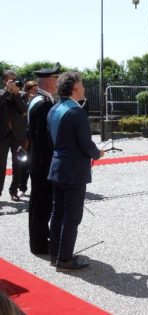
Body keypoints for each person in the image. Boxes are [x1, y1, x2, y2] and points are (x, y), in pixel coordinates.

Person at [47, 71, 104, 271]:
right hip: (73, 171)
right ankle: (64, 260)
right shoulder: (76, 111)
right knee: (72, 216)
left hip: (57, 167)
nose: (84, 88)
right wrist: (97, 154)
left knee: (57, 213)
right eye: (82, 85)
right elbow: (85, 144)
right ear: (75, 88)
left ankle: (55, 254)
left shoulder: (54, 109)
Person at [27, 63, 60, 255]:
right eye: (56, 79)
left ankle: (38, 239)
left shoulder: (35, 100)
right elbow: (42, 139)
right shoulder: (44, 104)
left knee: (37, 203)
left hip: (36, 161)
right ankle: (39, 244)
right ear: (48, 81)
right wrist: (49, 164)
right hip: (42, 163)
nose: (58, 82)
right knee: (42, 204)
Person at [0, 70, 27, 201]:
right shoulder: (1, 93)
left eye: (15, 80)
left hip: (18, 135)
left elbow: (23, 110)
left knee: (18, 164)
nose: (13, 82)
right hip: (2, 135)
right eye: (10, 80)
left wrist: (16, 94)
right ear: (5, 81)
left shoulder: (21, 95)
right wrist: (6, 91)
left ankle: (14, 191)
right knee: (1, 165)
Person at [18, 81, 37, 197]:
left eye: (36, 90)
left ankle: (36, 188)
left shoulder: (41, 101)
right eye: (33, 90)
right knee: (24, 163)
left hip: (36, 137)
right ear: (28, 90)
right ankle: (22, 187)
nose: (35, 92)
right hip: (25, 136)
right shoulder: (23, 100)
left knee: (36, 163)